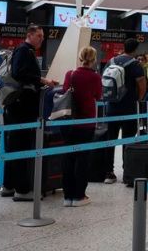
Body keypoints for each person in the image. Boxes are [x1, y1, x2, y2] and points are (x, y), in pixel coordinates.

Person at [0, 25, 57, 200]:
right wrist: (42, 80)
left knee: (13, 145)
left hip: (16, 105)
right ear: (29, 35)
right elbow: (19, 73)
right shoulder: (24, 51)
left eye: (42, 36)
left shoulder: (24, 50)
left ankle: (8, 185)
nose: (41, 39)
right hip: (21, 106)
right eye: (38, 35)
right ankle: (22, 190)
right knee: (21, 146)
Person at [60, 46, 102, 207]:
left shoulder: (70, 74)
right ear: (94, 59)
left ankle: (67, 196)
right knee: (82, 159)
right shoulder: (95, 77)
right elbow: (97, 95)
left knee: (68, 158)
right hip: (86, 122)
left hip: (68, 121)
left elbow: (64, 91)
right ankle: (79, 195)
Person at [103, 38, 147, 184]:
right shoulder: (135, 64)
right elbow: (142, 86)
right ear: (135, 49)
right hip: (129, 107)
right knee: (128, 139)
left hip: (111, 106)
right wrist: (138, 100)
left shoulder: (112, 61)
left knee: (110, 139)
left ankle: (108, 172)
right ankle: (127, 171)